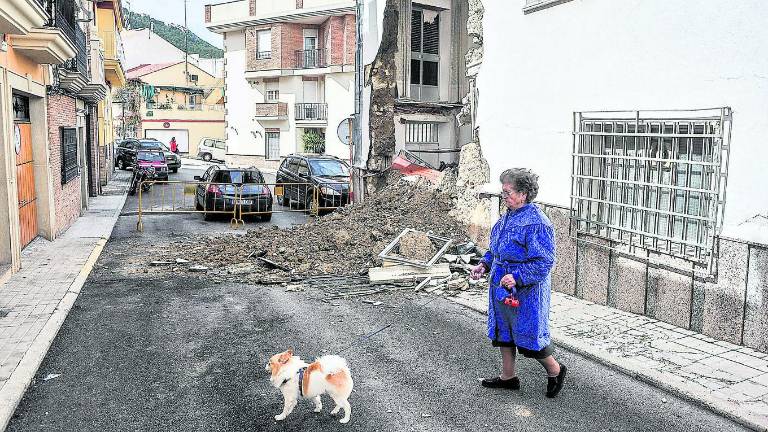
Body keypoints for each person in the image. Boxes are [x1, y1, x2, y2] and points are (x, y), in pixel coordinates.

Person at [470, 168, 567, 398]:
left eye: (507, 192)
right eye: (502, 191)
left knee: (530, 336)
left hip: (526, 293)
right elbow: (496, 249)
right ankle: (508, 377)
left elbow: (544, 261)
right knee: (503, 332)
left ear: (523, 194)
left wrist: (518, 276)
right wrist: (484, 265)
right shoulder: (507, 217)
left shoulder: (537, 222)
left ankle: (555, 370)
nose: (503, 196)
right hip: (501, 287)